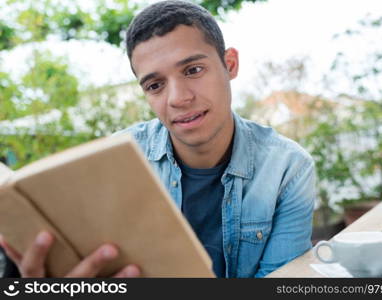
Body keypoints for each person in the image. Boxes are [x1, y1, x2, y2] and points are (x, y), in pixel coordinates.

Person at [0, 0, 316, 278]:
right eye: (155, 86)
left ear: (229, 64)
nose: (178, 98)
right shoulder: (114, 162)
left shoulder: (287, 168)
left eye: (193, 70)